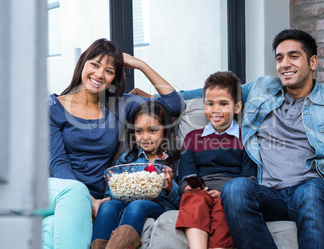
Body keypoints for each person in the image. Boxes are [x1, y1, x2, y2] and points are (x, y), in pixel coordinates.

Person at [164, 29, 324, 249]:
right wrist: (157, 97)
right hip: (269, 193)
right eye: (279, 58)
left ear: (312, 62)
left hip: (315, 188)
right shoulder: (263, 88)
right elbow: (214, 91)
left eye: (294, 56)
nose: (284, 64)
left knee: (309, 192)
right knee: (235, 189)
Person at [47, 38, 184, 248]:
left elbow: (173, 106)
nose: (100, 74)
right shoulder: (54, 107)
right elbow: (58, 163)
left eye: (109, 70)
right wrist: (88, 201)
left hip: (106, 195)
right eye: (95, 64)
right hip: (70, 192)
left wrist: (140, 64)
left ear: (115, 77)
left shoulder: (120, 105)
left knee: (110, 210)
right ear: (82, 63)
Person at [175, 71, 257, 249]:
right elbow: (183, 178)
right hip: (200, 192)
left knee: (225, 208)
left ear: (237, 107)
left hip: (229, 194)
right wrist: (188, 187)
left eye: (223, 104)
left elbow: (250, 179)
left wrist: (226, 193)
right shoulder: (192, 138)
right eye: (210, 104)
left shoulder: (246, 138)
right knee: (193, 200)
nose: (215, 110)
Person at [91, 100, 181, 249]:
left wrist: (170, 187)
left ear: (165, 131)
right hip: (126, 204)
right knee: (107, 206)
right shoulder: (127, 159)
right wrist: (114, 185)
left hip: (159, 207)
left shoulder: (175, 160)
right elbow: (112, 196)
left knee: (137, 205)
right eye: (139, 131)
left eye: (152, 131)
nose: (145, 137)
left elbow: (181, 202)